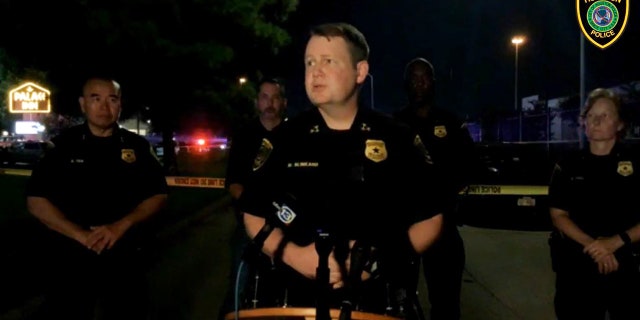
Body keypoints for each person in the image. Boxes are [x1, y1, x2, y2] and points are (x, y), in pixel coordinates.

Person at [238, 23, 443, 320]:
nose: (315, 71)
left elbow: (432, 217)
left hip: (377, 302)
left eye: (328, 61)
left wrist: (376, 264)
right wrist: (296, 257)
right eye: (310, 62)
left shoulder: (397, 137)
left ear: (360, 72)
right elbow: (253, 213)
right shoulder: (284, 139)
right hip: (294, 301)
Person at [25, 76, 169, 320]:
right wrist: (79, 235)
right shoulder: (61, 147)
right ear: (83, 104)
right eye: (96, 98)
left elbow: (158, 194)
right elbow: (36, 200)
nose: (104, 107)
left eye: (112, 99)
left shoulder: (137, 147)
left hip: (124, 254)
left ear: (120, 105)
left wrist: (120, 226)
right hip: (72, 256)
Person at [394, 57, 477, 320]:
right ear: (406, 84)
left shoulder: (450, 123)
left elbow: (470, 166)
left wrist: (442, 191)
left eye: (424, 77)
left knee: (446, 305)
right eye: (414, 78)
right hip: (402, 228)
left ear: (433, 82)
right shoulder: (394, 124)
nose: (419, 83)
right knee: (398, 303)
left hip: (442, 225)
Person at [548, 88, 640, 320]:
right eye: (591, 116)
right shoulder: (568, 165)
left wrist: (615, 242)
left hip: (626, 265)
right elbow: (558, 215)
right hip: (577, 267)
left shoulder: (636, 163)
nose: (596, 121)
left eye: (605, 115)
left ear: (620, 124)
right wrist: (596, 247)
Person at [218, 77, 288, 318]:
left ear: (284, 102)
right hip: (249, 221)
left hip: (284, 224)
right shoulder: (245, 135)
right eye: (265, 97)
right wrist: (251, 207)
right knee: (239, 277)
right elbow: (233, 183)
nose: (270, 103)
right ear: (258, 102)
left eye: (275, 97)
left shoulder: (294, 135)